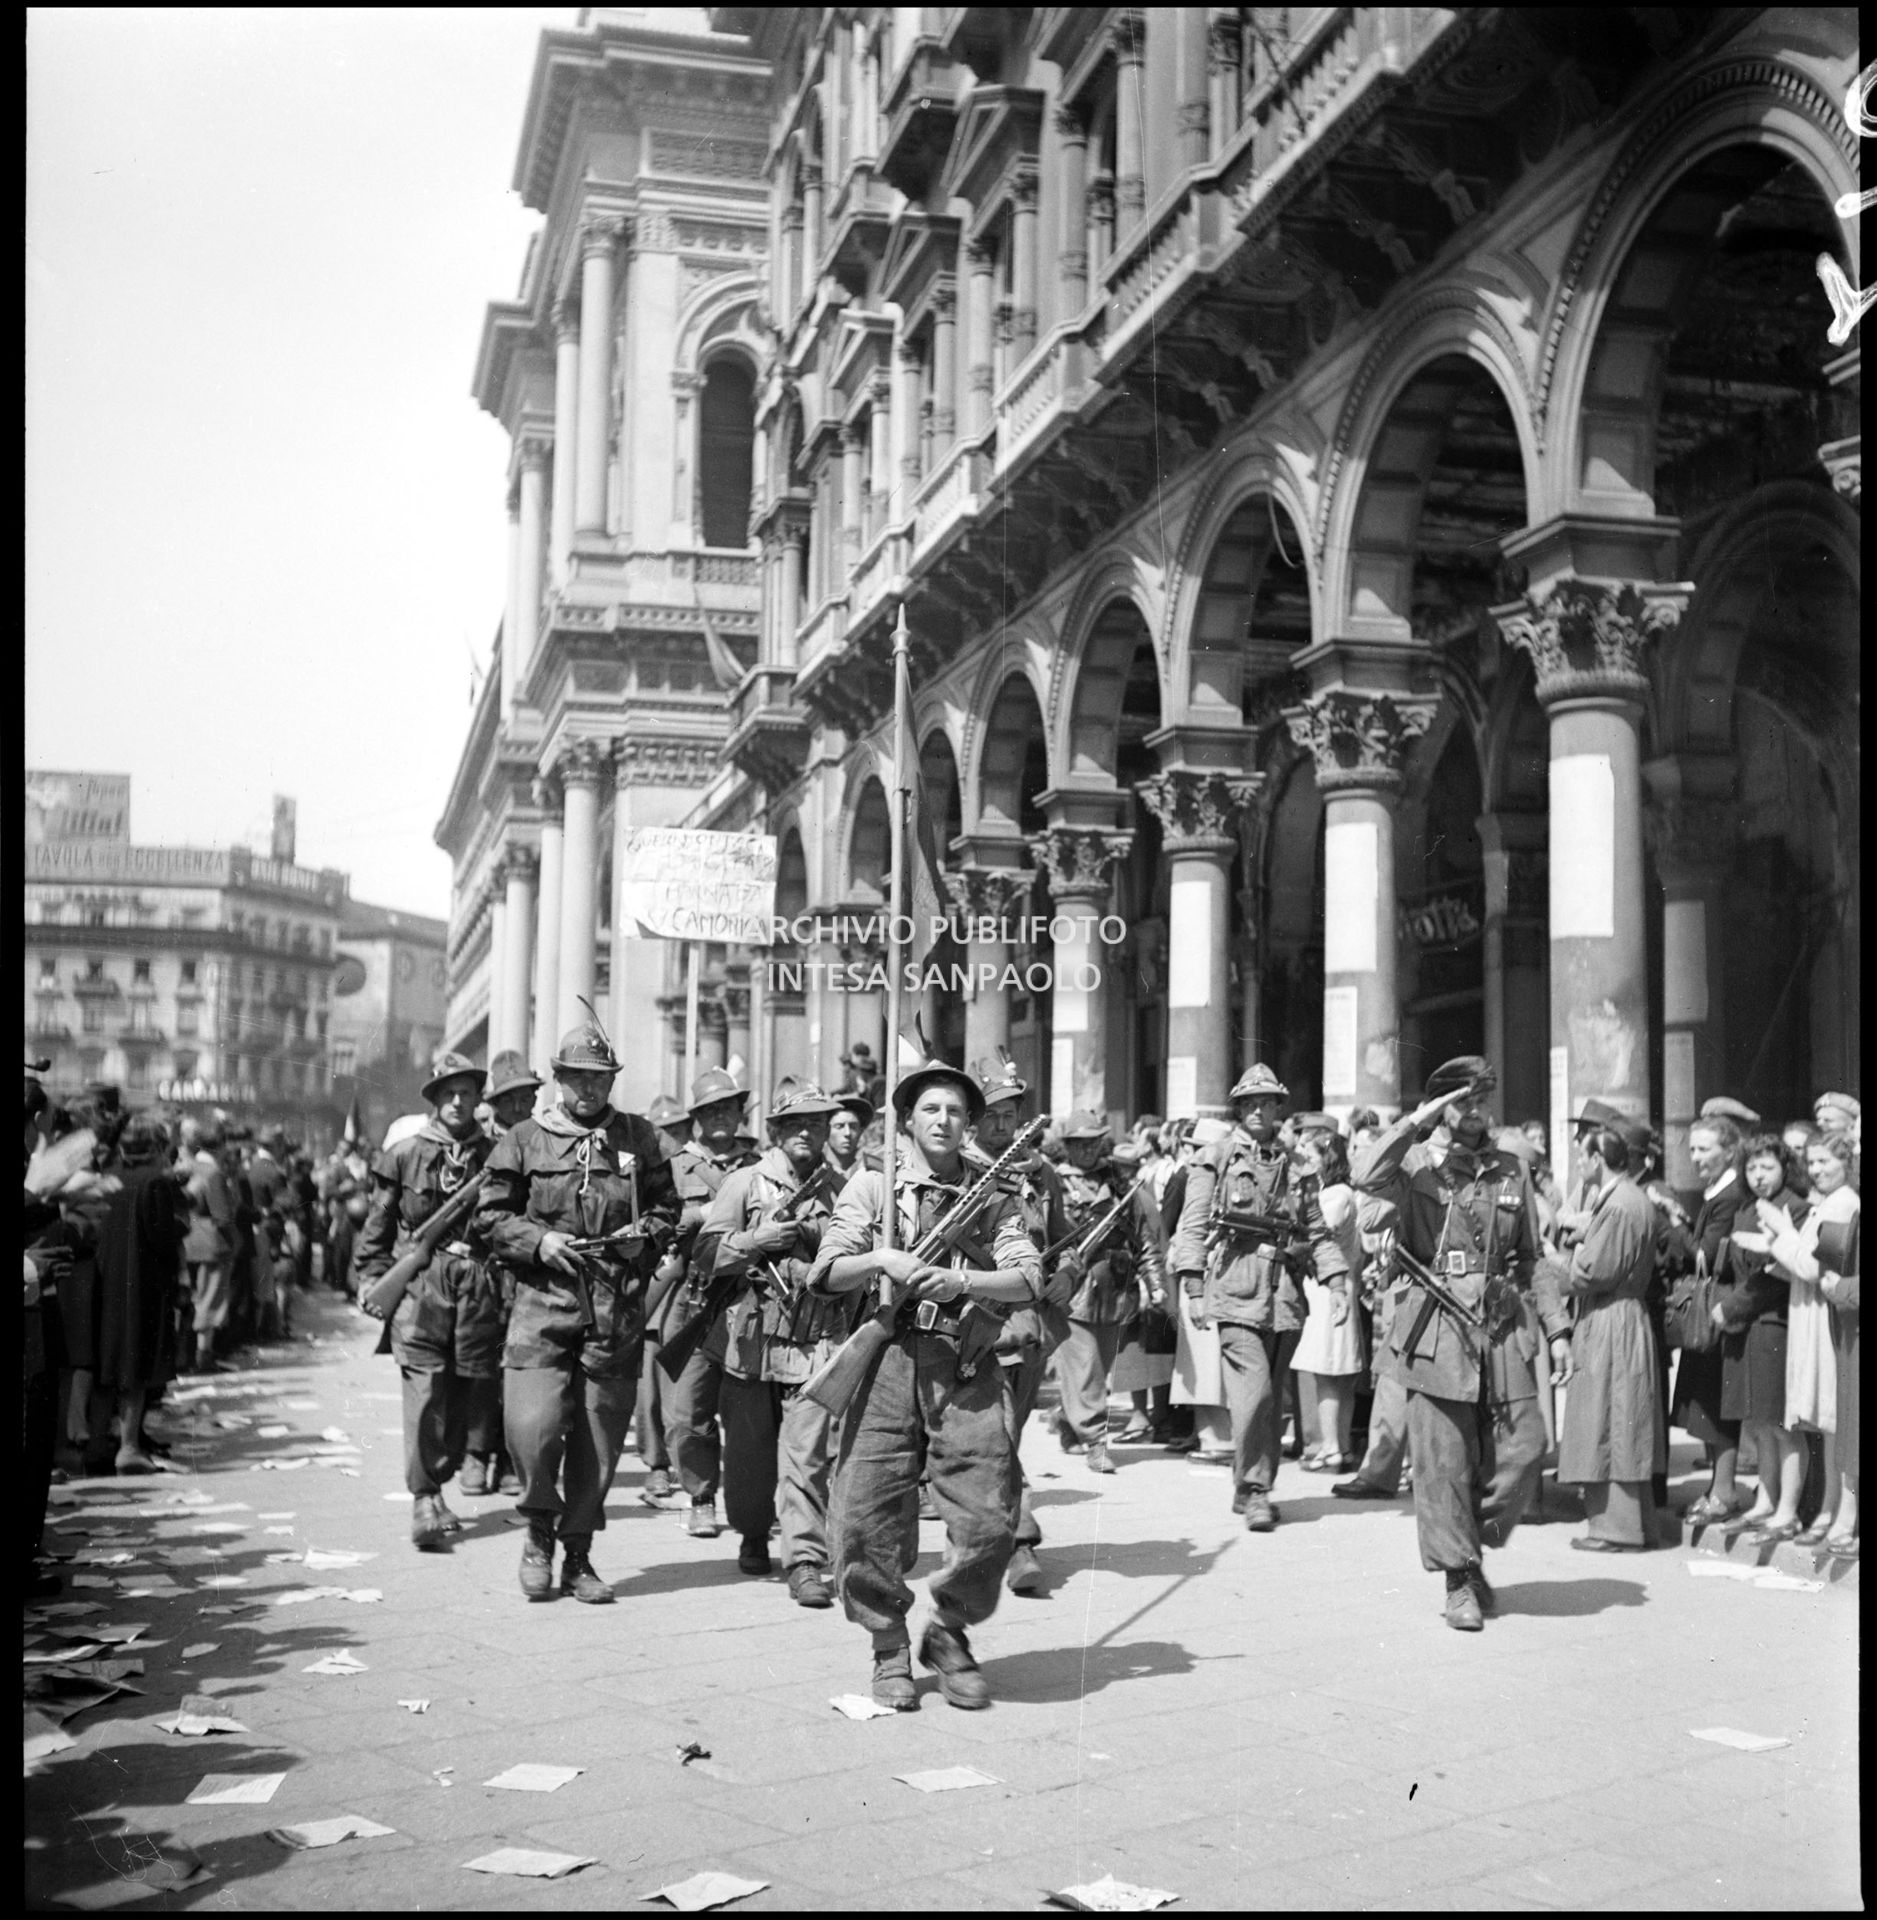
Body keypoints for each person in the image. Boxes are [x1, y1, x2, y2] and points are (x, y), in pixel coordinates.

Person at [808, 1057, 1043, 1710]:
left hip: (961, 1364)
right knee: (865, 1516)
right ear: (907, 1121)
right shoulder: (873, 1190)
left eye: (955, 1112)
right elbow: (824, 1272)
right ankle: (887, 1648)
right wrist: (882, 1258)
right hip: (882, 1361)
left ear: (969, 1123)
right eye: (930, 1110)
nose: (943, 1120)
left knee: (991, 1516)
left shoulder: (994, 1193)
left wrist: (963, 1282)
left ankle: (948, 1630)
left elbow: (1028, 1277)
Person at [1353, 1057, 1571, 1628]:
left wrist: (1558, 1328)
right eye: (1462, 1101)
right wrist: (1414, 1124)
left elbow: (1532, 1257)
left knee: (1527, 1447)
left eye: (1482, 1100)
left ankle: (1469, 1541)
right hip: (1435, 1326)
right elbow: (1365, 1175)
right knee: (1443, 1460)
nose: (1474, 1112)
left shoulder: (1509, 1169)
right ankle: (1458, 1580)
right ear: (1440, 1108)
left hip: (1501, 1323)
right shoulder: (1416, 1164)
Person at [476, 1019, 680, 1601]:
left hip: (614, 1305)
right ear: (558, 1079)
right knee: (532, 1428)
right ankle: (538, 1531)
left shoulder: (640, 1137)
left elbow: (670, 1209)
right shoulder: (522, 1139)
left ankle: (578, 1555)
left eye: (599, 1079)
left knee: (600, 1440)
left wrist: (651, 1235)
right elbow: (491, 1216)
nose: (589, 1090)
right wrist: (538, 1241)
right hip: (542, 1302)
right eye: (577, 1078)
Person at [1171, 1065, 1348, 1532]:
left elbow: (1317, 1229)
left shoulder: (1298, 1164)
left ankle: (1251, 1483)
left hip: (1285, 1294)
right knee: (1256, 1395)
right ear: (1238, 1109)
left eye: (1265, 1102)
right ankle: (1255, 1490)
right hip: (1234, 1287)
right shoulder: (1217, 1158)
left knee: (1272, 1402)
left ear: (1276, 1108)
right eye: (1248, 1103)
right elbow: (1192, 1225)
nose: (1256, 1110)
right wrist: (1192, 1285)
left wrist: (1337, 1281)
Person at [700, 1079, 848, 1598]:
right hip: (752, 1338)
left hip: (814, 1337)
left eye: (817, 1123)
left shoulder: (840, 1188)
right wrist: (754, 1241)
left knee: (807, 1454)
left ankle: (805, 1558)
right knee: (747, 1456)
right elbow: (706, 1255)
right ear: (778, 1131)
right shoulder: (745, 1183)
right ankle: (752, 1532)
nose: (808, 1132)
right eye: (797, 1124)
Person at [356, 1051, 503, 1551]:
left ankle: (439, 1482)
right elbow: (378, 1220)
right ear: (435, 1101)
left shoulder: (498, 1156)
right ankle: (424, 1497)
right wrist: (372, 1275)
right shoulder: (403, 1155)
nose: (458, 1102)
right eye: (448, 1094)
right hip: (420, 1287)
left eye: (466, 1093)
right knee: (424, 1395)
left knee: (465, 1398)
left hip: (477, 1289)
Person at [969, 1056, 1072, 1592]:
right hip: (974, 1331)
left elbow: (1066, 1241)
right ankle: (1020, 1542)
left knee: (1007, 1438)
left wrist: (1067, 1276)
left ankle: (993, 1538)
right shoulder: (955, 1170)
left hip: (1029, 1330)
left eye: (1011, 1114)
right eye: (992, 1115)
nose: (1003, 1125)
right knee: (999, 1439)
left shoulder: (1041, 1173)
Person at [1739, 1124, 1859, 1550]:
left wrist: (1779, 1231)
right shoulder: (1826, 1203)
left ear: (1847, 1163)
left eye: (1826, 1160)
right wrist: (1776, 1241)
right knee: (1827, 1424)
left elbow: (1814, 1268)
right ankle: (1829, 1510)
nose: (1817, 1168)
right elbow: (1804, 1261)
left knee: (1833, 1421)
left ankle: (1837, 1512)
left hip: (1827, 1321)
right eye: (1812, 1162)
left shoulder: (1843, 1204)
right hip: (1811, 1314)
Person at [660, 1069, 758, 1539]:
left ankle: (753, 1499)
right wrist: (698, 1214)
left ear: (740, 1112)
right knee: (689, 1410)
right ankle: (700, 1497)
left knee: (747, 1412)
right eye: (709, 1110)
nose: (720, 1116)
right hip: (693, 1298)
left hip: (747, 1297)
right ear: (696, 1117)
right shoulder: (677, 1167)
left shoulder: (761, 1165)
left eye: (727, 1107)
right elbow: (657, 1221)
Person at [1558, 1121, 1665, 1553]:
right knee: (1619, 1416)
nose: (1579, 1165)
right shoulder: (1628, 1198)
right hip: (1622, 1316)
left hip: (1611, 1318)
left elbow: (1595, 1272)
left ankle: (1616, 1530)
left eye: (1583, 1157)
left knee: (1612, 1418)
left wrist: (1562, 1258)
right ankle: (1629, 1526)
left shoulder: (1619, 1204)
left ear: (1599, 1160)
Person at [1051, 1111, 1165, 1476]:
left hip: (1115, 1288)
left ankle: (1070, 1422)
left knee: (1099, 1366)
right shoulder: (1055, 1184)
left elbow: (1144, 1237)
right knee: (1086, 1368)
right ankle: (1096, 1441)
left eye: (1092, 1142)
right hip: (1073, 1289)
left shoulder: (1120, 1184)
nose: (1086, 1150)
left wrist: (1155, 1284)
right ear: (1067, 1147)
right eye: (1078, 1143)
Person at [1713, 1131, 1806, 1539]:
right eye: (1751, 1168)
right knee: (1759, 1423)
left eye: (1767, 1167)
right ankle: (1766, 1501)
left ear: (1785, 1168)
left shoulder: (1795, 1209)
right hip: (1746, 1329)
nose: (1758, 1175)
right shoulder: (1746, 1209)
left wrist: (1729, 1307)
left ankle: (1788, 1510)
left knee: (1781, 1424)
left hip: (1773, 1324)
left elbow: (1775, 1279)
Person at [460, 1050, 541, 1499]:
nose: (517, 1108)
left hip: (528, 1269)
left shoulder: (545, 1140)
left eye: (525, 1098)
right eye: (508, 1100)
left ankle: (511, 1458)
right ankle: (476, 1453)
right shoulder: (476, 1149)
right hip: (481, 1270)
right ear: (492, 1103)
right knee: (480, 1366)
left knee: (521, 1366)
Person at [1678, 1115, 1751, 1526]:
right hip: (1712, 1309)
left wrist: (1672, 1223)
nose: (1696, 1157)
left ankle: (1723, 1491)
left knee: (1719, 1403)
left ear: (1729, 1151)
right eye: (1693, 1149)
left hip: (1720, 1310)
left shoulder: (1729, 1195)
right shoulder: (1717, 1192)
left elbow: (1704, 1252)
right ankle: (1715, 1489)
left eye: (1705, 1149)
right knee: (1708, 1400)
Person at [1290, 1125, 1366, 1473]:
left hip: (1328, 1289)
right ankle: (1343, 1446)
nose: (1305, 1158)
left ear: (1327, 1157)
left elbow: (1321, 1234)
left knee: (1328, 1372)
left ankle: (1331, 1447)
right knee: (1339, 1371)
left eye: (1311, 1153)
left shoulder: (1335, 1195)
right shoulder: (1337, 1192)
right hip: (1336, 1287)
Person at [178, 1117, 236, 1375]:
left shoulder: (186, 1167)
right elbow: (222, 1216)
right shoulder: (214, 1173)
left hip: (187, 1241)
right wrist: (234, 1240)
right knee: (209, 1301)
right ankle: (204, 1356)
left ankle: (186, 1355)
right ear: (220, 1145)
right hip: (212, 1244)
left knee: (191, 1299)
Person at [826, 1094, 870, 1183]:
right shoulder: (815, 1172)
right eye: (839, 1126)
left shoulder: (866, 1171)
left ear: (861, 1131)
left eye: (853, 1127)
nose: (847, 1133)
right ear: (825, 1131)